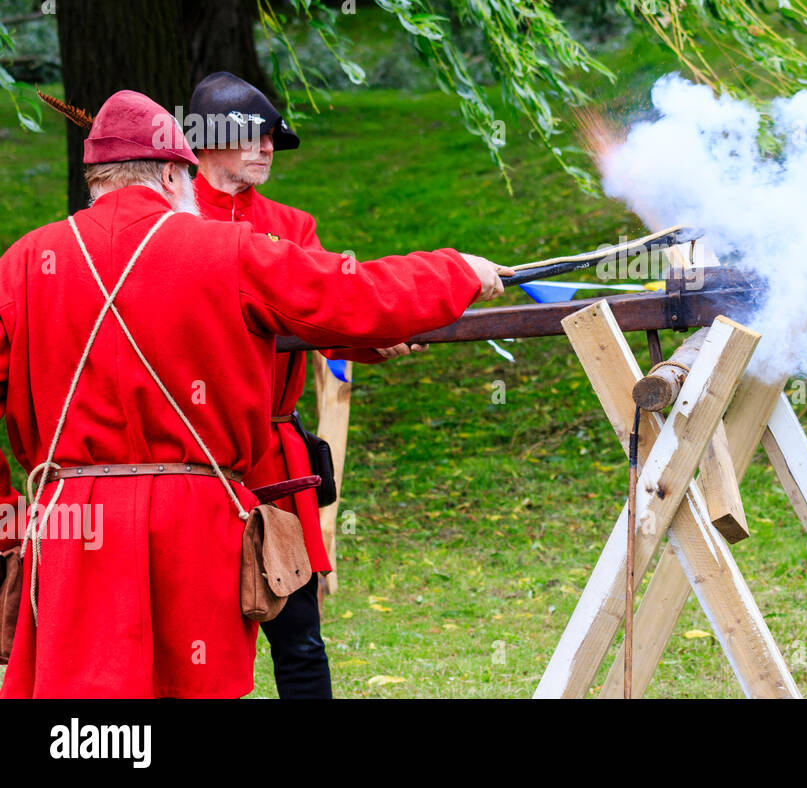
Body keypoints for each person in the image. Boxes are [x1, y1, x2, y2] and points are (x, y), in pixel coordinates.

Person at [0, 90, 509, 698]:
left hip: (72, 529)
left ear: (97, 179)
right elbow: (354, 294)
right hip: (191, 521)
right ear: (172, 172)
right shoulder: (226, 251)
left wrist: (9, 520)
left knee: (86, 718)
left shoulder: (25, 262)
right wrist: (457, 271)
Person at [188, 70, 418, 698]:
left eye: (272, 138)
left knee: (300, 636)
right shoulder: (173, 224)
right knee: (192, 642)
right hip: (192, 458)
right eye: (254, 136)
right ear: (205, 142)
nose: (267, 147)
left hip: (271, 458)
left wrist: (380, 335)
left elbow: (328, 312)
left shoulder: (292, 226)